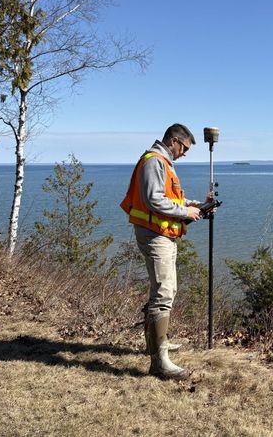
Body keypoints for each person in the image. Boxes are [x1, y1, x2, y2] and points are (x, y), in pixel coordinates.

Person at [120, 123, 203, 380]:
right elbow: (154, 200)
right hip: (155, 236)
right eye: (185, 148)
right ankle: (159, 362)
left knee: (166, 290)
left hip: (162, 234)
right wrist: (185, 213)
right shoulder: (154, 161)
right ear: (174, 141)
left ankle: (158, 343)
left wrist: (193, 205)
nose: (185, 154)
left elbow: (167, 198)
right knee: (163, 293)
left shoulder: (162, 163)